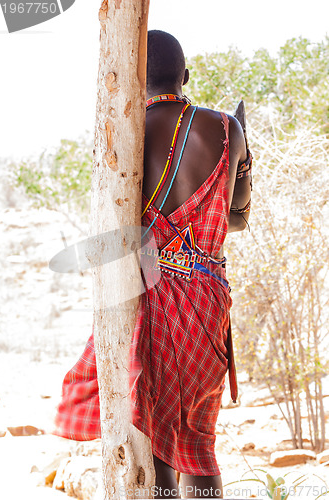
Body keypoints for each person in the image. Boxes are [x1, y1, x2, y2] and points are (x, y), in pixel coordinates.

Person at [54, 30, 252, 499]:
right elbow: (238, 217)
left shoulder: (121, 134)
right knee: (199, 444)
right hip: (206, 299)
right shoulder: (227, 128)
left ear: (136, 77)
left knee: (159, 443)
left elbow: (115, 224)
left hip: (144, 293)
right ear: (184, 77)